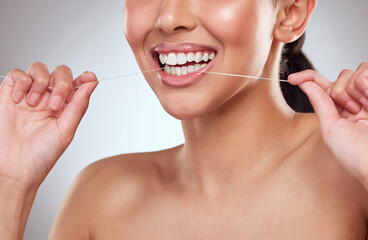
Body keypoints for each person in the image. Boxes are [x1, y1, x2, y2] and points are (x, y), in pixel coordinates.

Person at [1, 0, 368, 239]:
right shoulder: (100, 197)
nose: (170, 18)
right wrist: (11, 185)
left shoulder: (355, 175)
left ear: (291, 14)